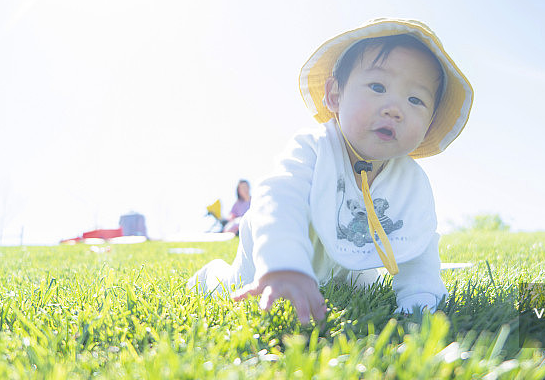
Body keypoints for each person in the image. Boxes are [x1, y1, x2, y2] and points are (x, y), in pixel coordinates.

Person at [187, 18, 473, 324]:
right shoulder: (313, 149)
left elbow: (417, 245)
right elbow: (279, 200)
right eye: (378, 87)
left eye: (415, 99)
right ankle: (209, 276)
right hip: (273, 253)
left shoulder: (411, 183)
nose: (394, 108)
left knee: (365, 285)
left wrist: (421, 301)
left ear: (429, 123)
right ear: (335, 95)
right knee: (232, 285)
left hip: (347, 264)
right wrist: (284, 263)